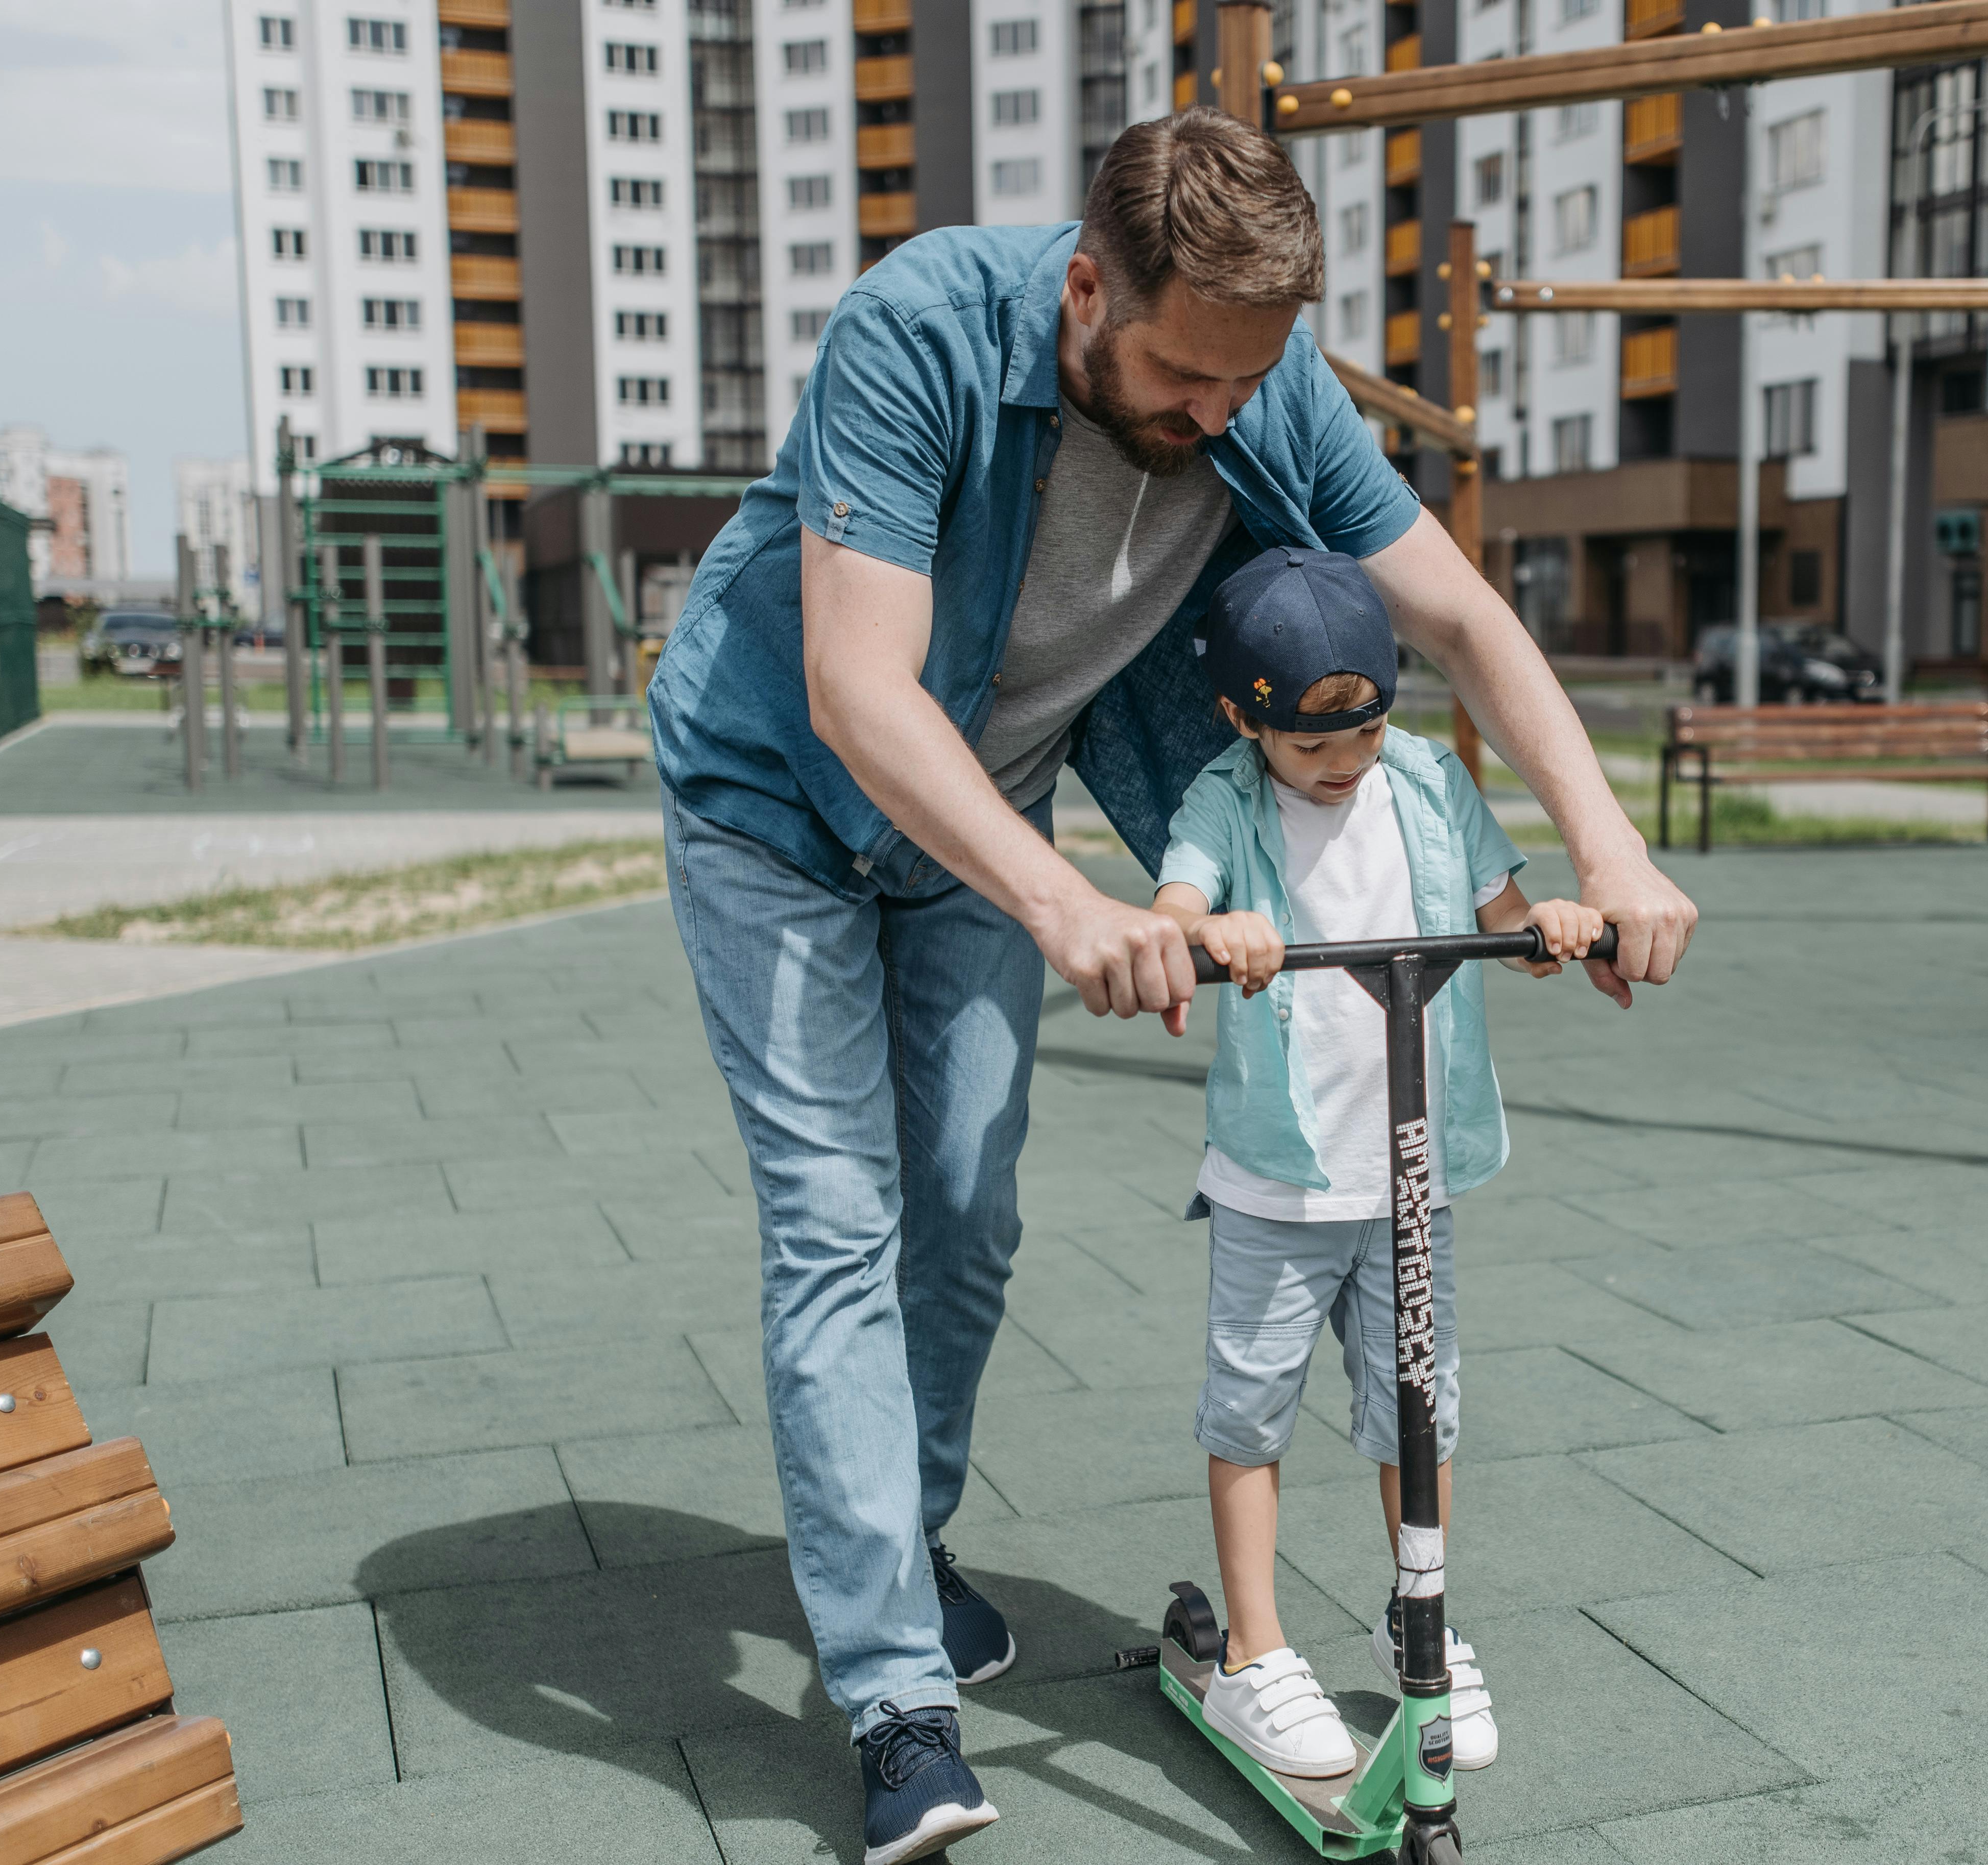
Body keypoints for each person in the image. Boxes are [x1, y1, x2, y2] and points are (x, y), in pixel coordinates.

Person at [649, 107, 1695, 1865]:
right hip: (778, 805)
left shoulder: (1260, 380)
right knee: (839, 1221)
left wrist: (1609, 848)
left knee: (967, 1214)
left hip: (982, 820)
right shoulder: (919, 330)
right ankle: (898, 1696)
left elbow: (1457, 621)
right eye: (1186, 378)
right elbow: (858, 686)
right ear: (1086, 287)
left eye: (1248, 384)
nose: (1219, 419)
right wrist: (1069, 906)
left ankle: (896, 1543)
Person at [1151, 546, 1605, 1778]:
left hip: (1412, 1171)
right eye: (1311, 750)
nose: (1341, 766)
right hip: (1276, 1179)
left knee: (1420, 1408)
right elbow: (1178, 907)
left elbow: (1501, 911)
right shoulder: (1222, 800)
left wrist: (1543, 925)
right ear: (1247, 721)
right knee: (1250, 1409)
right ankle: (1253, 1651)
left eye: (1361, 735)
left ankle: (1422, 1617)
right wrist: (1212, 927)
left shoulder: (1424, 781)